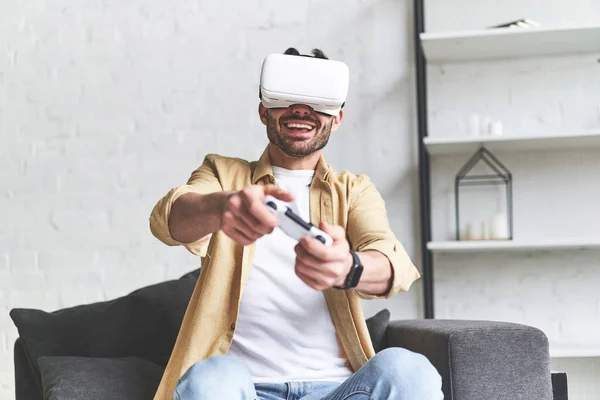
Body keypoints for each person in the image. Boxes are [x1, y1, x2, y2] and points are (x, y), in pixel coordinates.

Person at [149, 47, 443, 400]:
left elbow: (392, 261)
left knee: (410, 372)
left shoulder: (353, 191)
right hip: (243, 389)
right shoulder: (223, 173)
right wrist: (223, 207)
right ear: (263, 111)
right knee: (210, 377)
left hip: (338, 390)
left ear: (337, 118)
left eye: (317, 102)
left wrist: (348, 268)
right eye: (286, 99)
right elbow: (171, 219)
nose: (302, 110)